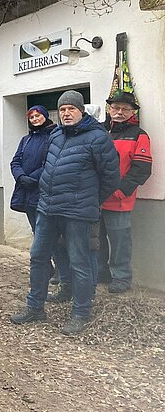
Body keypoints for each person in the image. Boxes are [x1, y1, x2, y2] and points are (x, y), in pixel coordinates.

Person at [10, 90, 119, 335]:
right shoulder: (56, 134)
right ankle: (35, 306)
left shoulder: (98, 138)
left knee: (79, 263)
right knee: (38, 257)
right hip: (48, 209)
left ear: (81, 111)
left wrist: (90, 200)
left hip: (78, 212)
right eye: (62, 110)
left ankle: (81, 313)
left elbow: (111, 178)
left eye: (71, 109)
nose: (66, 113)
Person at [98, 91, 152, 293]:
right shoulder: (99, 132)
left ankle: (121, 277)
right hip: (95, 198)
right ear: (109, 109)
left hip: (119, 200)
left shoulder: (139, 135)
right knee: (97, 239)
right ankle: (100, 272)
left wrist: (120, 191)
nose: (119, 112)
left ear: (132, 112)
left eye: (125, 109)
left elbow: (142, 168)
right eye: (115, 108)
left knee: (120, 242)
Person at [10, 106, 55, 231]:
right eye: (31, 117)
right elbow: (15, 161)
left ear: (45, 116)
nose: (35, 119)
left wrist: (33, 178)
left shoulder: (54, 137)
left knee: (46, 232)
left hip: (43, 190)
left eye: (37, 115)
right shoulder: (26, 140)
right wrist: (21, 177)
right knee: (35, 229)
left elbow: (51, 162)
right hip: (26, 191)